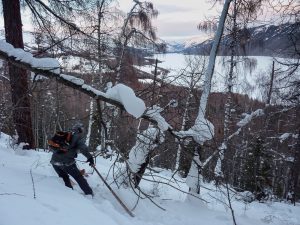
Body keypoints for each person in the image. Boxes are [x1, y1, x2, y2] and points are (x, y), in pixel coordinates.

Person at [50, 122, 94, 196]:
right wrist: (90, 157)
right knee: (79, 178)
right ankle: (89, 193)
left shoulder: (64, 135)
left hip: (55, 162)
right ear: (80, 130)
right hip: (67, 164)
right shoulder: (78, 137)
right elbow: (83, 148)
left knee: (64, 178)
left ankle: (70, 195)